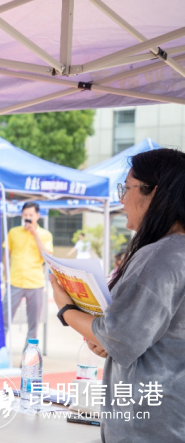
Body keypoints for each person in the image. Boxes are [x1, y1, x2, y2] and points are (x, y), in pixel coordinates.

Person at [50, 148, 185, 442]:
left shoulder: (161, 256)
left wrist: (65, 309)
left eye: (126, 188)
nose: (121, 200)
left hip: (150, 425)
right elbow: (141, 334)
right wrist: (108, 340)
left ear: (154, 192)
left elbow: (120, 337)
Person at [4, 202, 53, 344]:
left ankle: (28, 355)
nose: (28, 217)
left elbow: (47, 256)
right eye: (25, 215)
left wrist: (34, 233)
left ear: (37, 216)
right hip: (14, 281)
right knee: (4, 320)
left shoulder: (45, 234)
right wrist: (6, 275)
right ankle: (0, 352)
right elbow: (6, 255)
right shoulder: (14, 232)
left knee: (33, 324)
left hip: (35, 282)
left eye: (31, 215)